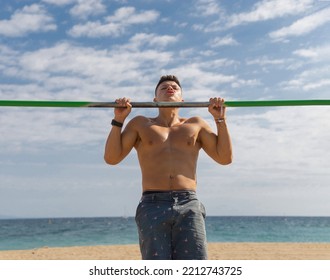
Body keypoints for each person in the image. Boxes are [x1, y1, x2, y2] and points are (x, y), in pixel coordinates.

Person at [104, 75, 232, 260]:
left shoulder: (195, 124)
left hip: (188, 203)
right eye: (163, 87)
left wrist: (220, 120)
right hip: (152, 203)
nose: (170, 88)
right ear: (155, 99)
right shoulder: (140, 123)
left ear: (182, 99)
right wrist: (119, 120)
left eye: (174, 87)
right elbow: (111, 158)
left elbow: (225, 158)